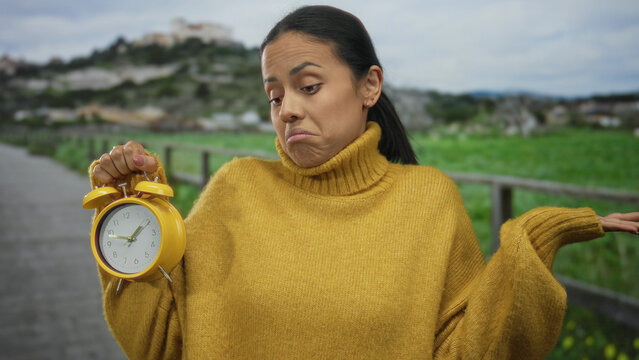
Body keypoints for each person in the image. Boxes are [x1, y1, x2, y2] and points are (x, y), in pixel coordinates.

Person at [88, 5, 638, 359]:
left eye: (308, 86)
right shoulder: (236, 188)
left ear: (369, 85)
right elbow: (160, 340)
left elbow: (467, 350)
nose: (288, 110)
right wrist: (134, 215)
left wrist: (539, 237)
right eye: (275, 95)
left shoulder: (430, 201)